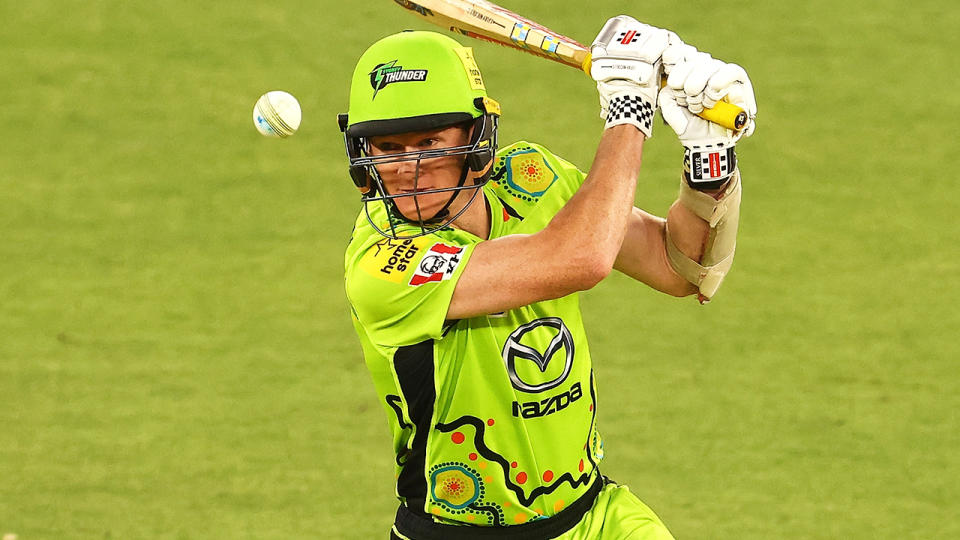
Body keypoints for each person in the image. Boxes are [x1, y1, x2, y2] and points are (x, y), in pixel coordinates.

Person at [338, 15, 756, 540]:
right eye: (388, 148)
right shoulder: (382, 262)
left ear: (477, 136)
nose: (408, 168)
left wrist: (708, 151)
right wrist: (628, 112)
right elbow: (578, 259)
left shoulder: (531, 179)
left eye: (430, 142)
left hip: (595, 519)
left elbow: (680, 266)